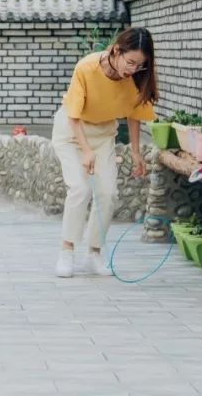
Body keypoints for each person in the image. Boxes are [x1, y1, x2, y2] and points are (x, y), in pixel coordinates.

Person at [52, 27, 158, 278]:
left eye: (140, 65)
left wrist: (135, 151)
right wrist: (86, 151)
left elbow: (135, 115)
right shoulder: (87, 68)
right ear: (116, 51)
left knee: (109, 193)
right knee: (80, 188)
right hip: (71, 132)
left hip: (103, 137)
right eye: (130, 62)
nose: (133, 69)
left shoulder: (135, 78)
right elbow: (74, 115)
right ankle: (66, 251)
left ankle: (94, 253)